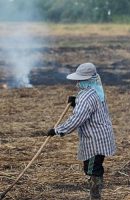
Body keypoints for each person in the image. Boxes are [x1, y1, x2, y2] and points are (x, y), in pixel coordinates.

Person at [47, 62, 116, 200]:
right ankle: (96, 194)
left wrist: (58, 130)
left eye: (80, 79)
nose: (77, 82)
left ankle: (95, 196)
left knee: (92, 169)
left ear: (86, 79)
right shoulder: (96, 90)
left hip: (94, 141)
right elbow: (88, 111)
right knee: (94, 167)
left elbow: (77, 119)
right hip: (103, 136)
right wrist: (76, 102)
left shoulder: (86, 96)